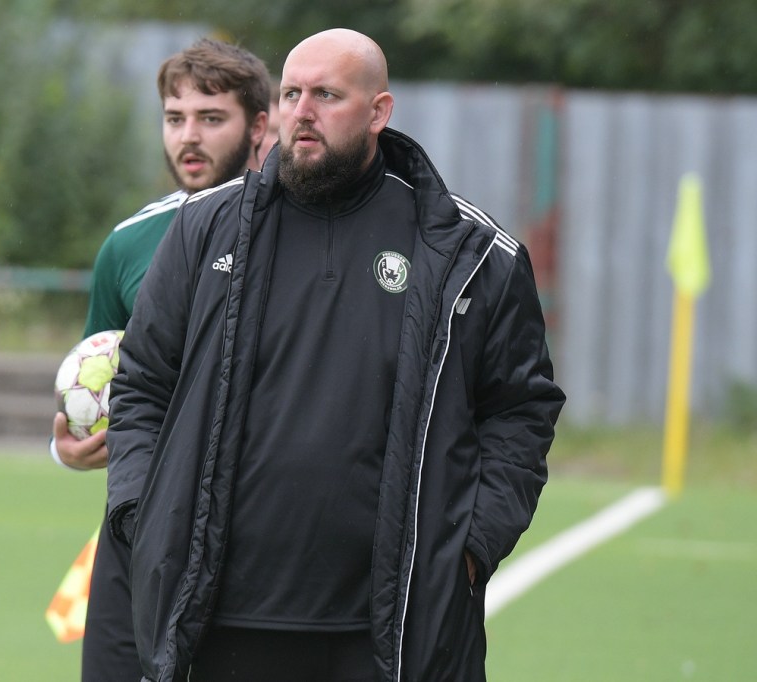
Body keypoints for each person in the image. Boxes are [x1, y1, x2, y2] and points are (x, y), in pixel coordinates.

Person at [106, 28, 566, 682]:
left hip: (392, 629)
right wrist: (141, 519)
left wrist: (470, 545)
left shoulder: (470, 253)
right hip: (216, 621)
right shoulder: (204, 230)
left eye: (326, 95)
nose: (302, 112)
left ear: (379, 111)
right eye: (291, 94)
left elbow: (521, 411)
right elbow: (142, 385)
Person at [48, 38, 271, 682]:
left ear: (259, 127)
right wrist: (66, 448)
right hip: (142, 524)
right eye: (175, 118)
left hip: (258, 527)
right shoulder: (128, 245)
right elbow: (97, 380)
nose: (188, 136)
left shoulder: (297, 234)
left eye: (211, 118)